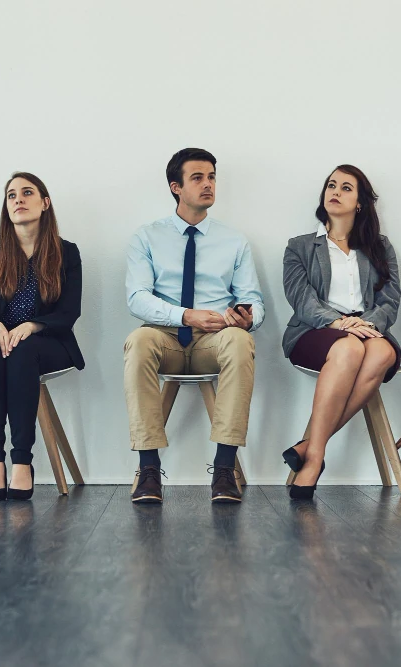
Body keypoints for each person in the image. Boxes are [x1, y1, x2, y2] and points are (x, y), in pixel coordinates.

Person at [124, 148, 264, 504]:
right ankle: (149, 470)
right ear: (176, 187)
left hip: (214, 339)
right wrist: (186, 315)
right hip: (164, 335)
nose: (208, 185)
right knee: (137, 342)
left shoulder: (234, 241)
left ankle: (224, 469)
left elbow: (253, 299)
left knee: (239, 341)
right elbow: (137, 299)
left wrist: (247, 317)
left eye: (212, 177)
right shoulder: (147, 237)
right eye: (198, 178)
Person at [0, 172, 83, 501]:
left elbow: (69, 312)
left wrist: (33, 325)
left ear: (45, 203)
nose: (18, 200)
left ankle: (22, 461)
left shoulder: (66, 252)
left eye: (27, 193)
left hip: (46, 342)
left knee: (22, 349)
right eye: (11, 195)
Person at [282, 165, 401, 499]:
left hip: (364, 328)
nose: (335, 191)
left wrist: (367, 324)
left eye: (346, 188)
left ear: (361, 202)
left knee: (383, 352)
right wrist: (337, 322)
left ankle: (309, 446)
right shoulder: (301, 246)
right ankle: (316, 456)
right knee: (349, 348)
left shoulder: (380, 247)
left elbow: (391, 299)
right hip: (314, 330)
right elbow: (300, 299)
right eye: (331, 185)